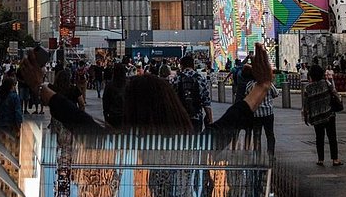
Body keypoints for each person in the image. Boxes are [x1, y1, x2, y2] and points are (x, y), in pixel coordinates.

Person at [17, 43, 274, 135]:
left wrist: (40, 87)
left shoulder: (118, 147)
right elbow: (233, 118)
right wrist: (262, 86)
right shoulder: (194, 146)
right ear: (170, 103)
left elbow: (76, 118)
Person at [302, 63, 343, 167]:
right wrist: (339, 101)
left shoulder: (308, 88)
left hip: (316, 116)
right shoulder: (326, 83)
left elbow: (306, 104)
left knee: (319, 138)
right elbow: (334, 93)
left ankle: (320, 159)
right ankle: (335, 159)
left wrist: (306, 116)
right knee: (332, 137)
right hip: (329, 114)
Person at [175, 53, 213, 132]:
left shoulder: (177, 79)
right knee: (195, 141)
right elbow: (206, 101)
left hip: (180, 116)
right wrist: (210, 118)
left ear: (181, 65)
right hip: (196, 116)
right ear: (193, 65)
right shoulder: (200, 78)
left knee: (181, 141)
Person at [245, 77, 278, 157]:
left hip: (256, 114)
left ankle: (257, 154)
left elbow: (247, 95)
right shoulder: (268, 84)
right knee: (270, 134)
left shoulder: (250, 85)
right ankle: (270, 154)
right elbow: (276, 94)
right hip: (268, 113)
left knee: (256, 135)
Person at [102, 62, 126, 127]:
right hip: (126, 115)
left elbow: (105, 101)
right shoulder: (128, 84)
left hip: (113, 115)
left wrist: (106, 114)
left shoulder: (110, 85)